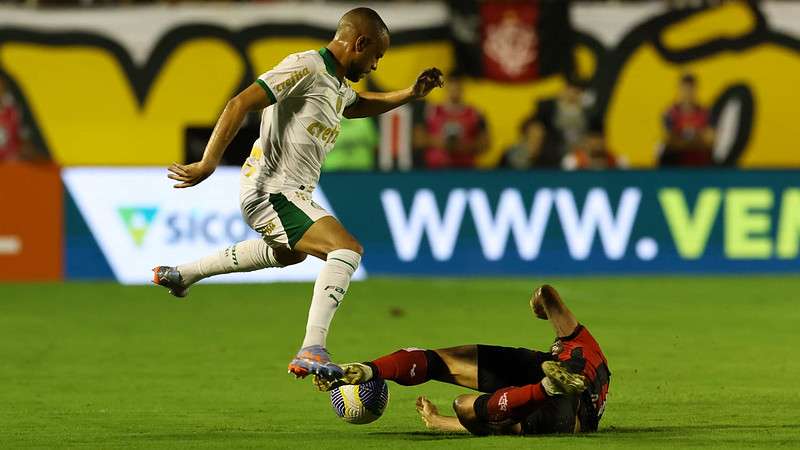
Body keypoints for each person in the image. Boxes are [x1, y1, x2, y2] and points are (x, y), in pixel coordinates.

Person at [152, 7, 443, 380]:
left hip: (291, 192)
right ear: (359, 43)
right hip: (273, 190)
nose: (375, 65)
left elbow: (356, 105)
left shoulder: (336, 83)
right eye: (376, 55)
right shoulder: (306, 65)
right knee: (347, 250)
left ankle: (182, 274)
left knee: (289, 255)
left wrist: (410, 94)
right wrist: (208, 162)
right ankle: (312, 347)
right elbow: (239, 103)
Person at [315, 285, 610, 436]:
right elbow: (547, 294)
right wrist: (437, 421)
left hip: (570, 416)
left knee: (466, 406)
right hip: (546, 375)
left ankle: (548, 388)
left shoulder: (579, 341)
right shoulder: (580, 346)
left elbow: (547, 292)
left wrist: (539, 303)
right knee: (445, 362)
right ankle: (369, 370)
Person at [419, 72, 489, 169]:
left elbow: (485, 144)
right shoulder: (432, 111)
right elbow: (418, 139)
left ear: (463, 88)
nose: (454, 90)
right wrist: (443, 143)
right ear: (445, 87)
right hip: (435, 169)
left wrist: (463, 146)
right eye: (452, 86)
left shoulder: (475, 113)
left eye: (458, 87)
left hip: (465, 168)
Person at [521, 78, 590, 168]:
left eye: (578, 92)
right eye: (572, 90)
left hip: (579, 154)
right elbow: (532, 125)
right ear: (565, 89)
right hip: (551, 154)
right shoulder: (548, 106)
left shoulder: (588, 111)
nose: (573, 94)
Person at [659, 73, 715, 167]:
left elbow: (710, 140)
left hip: (700, 166)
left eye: (690, 89)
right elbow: (668, 140)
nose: (687, 93)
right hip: (676, 166)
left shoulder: (705, 114)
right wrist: (697, 138)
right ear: (679, 89)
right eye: (685, 89)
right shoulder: (670, 114)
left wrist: (681, 137)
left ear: (695, 90)